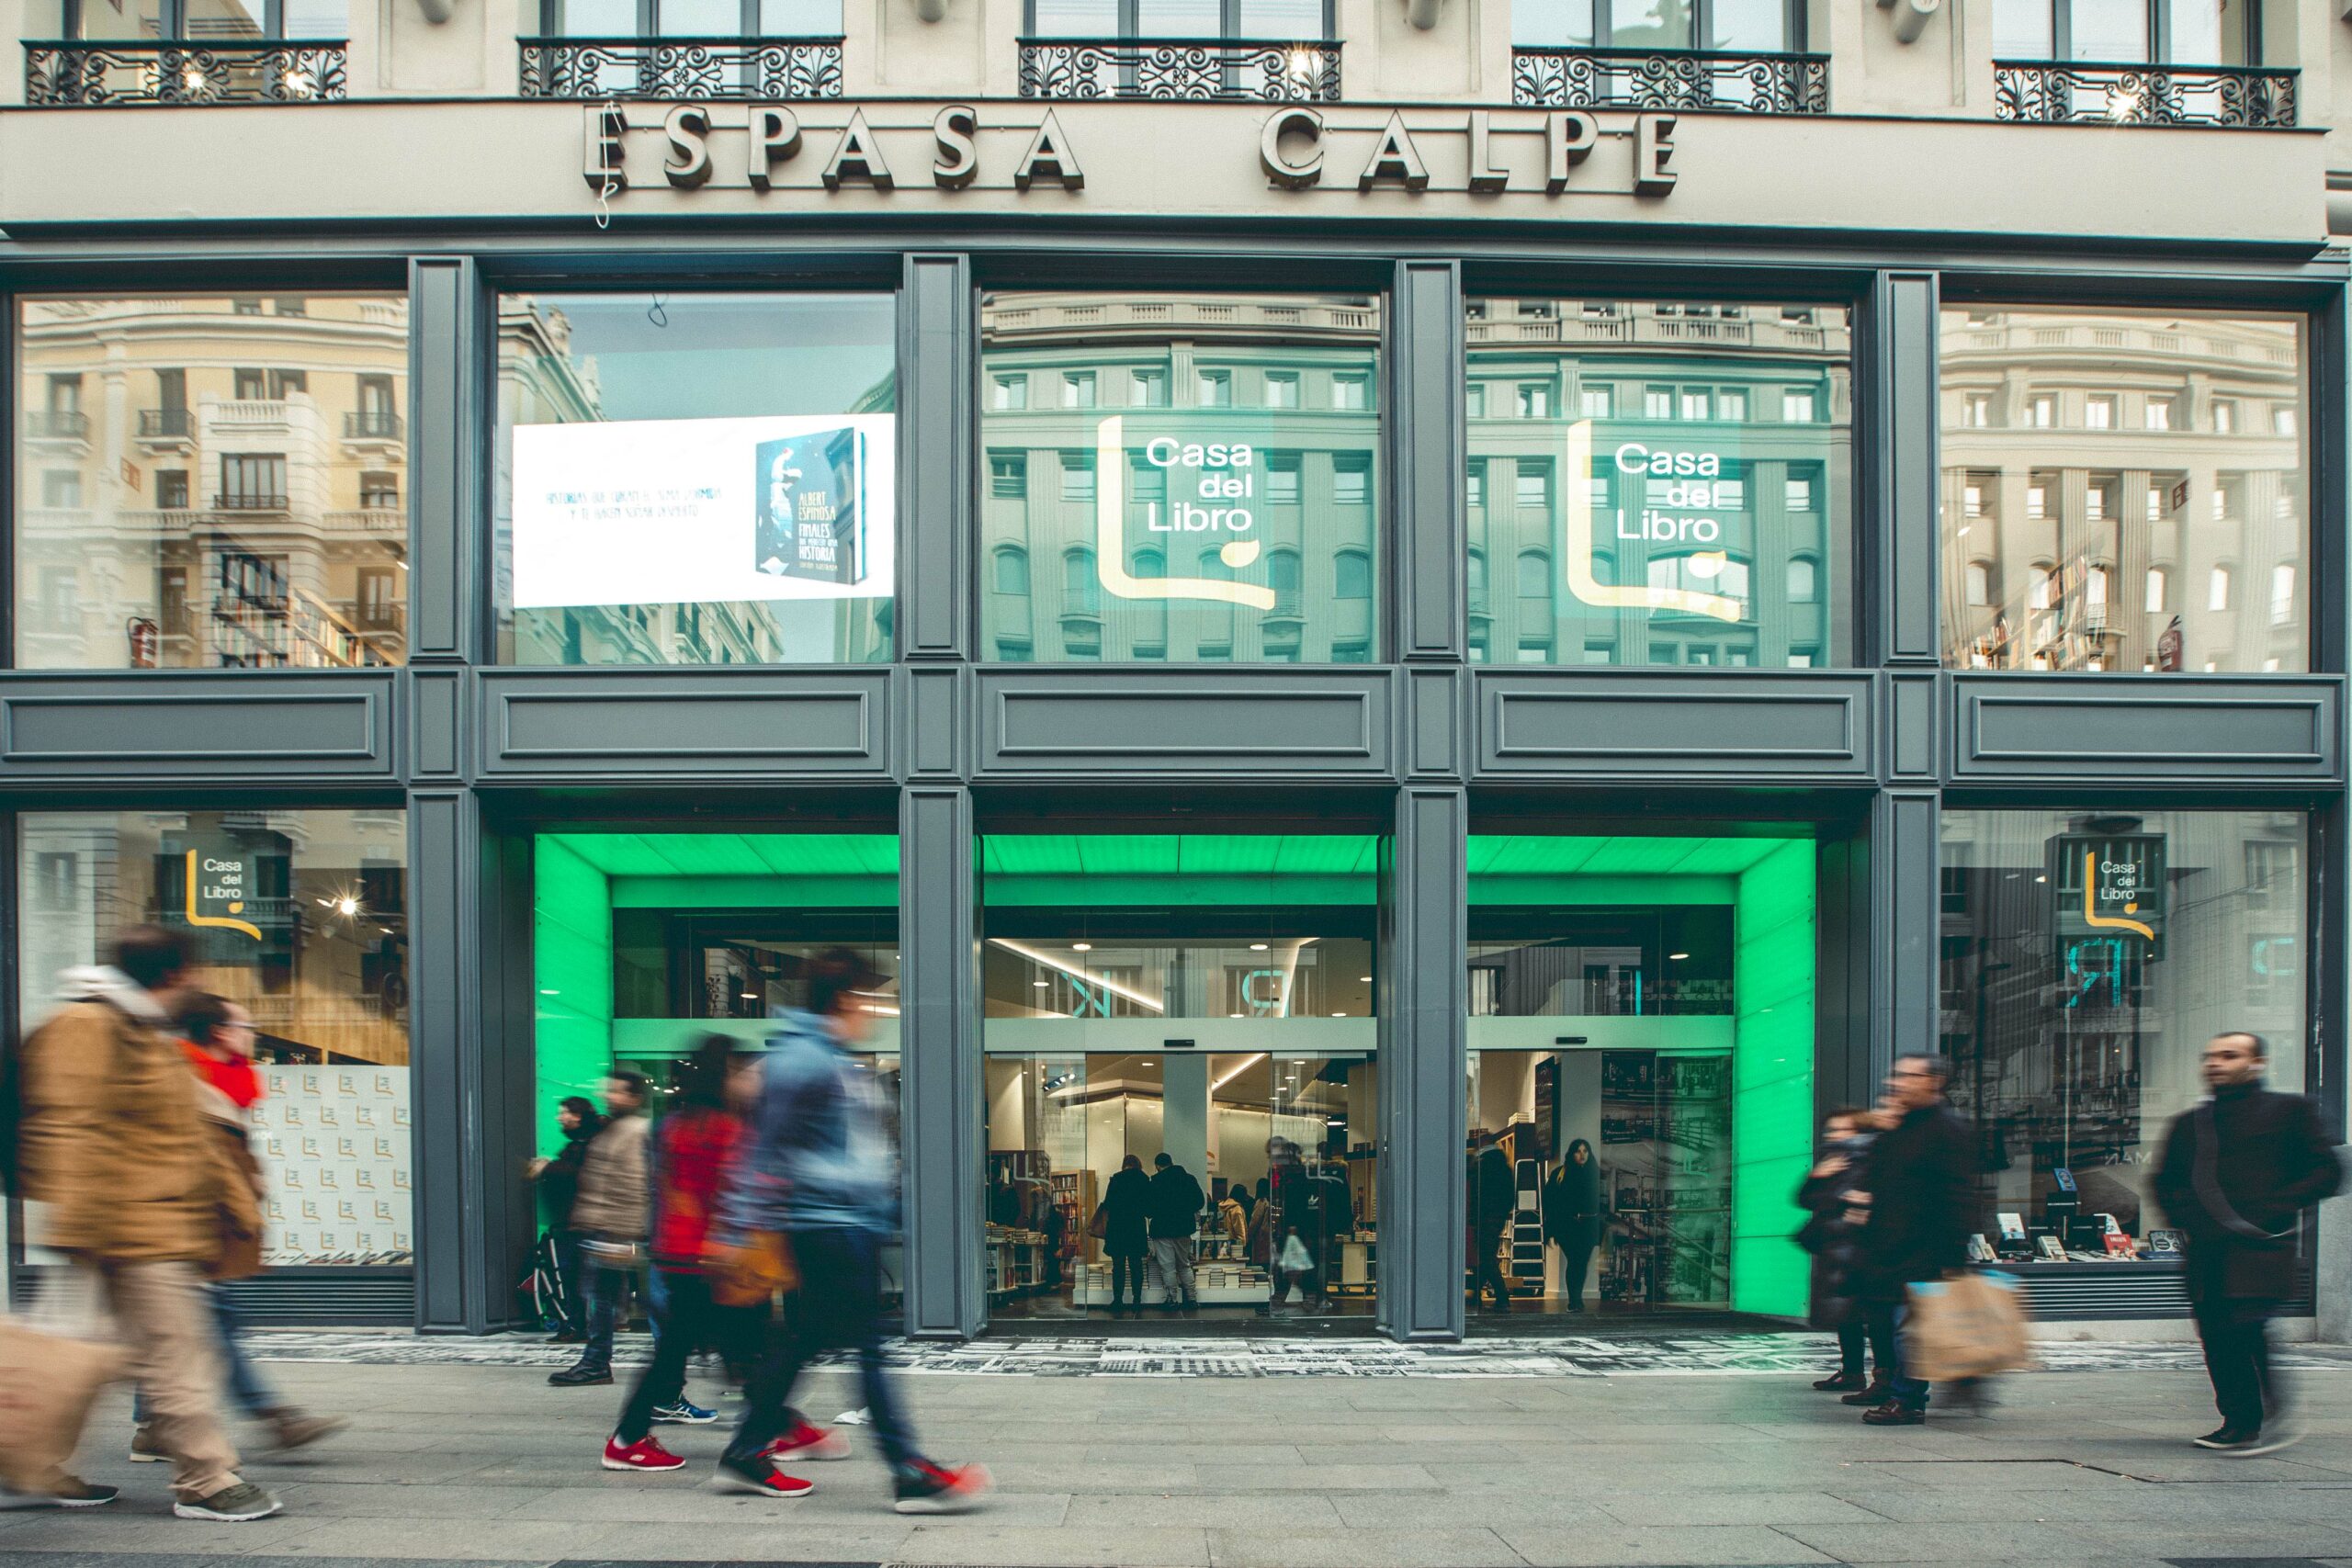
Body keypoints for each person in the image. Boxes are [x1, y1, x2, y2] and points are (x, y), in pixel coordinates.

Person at [15, 925, 281, 1520]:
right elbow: (65, 1127)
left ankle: (24, 1464)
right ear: (174, 973)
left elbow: (176, 1134)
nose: (200, 980)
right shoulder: (89, 1026)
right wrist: (83, 1227)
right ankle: (206, 1479)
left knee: (93, 1356)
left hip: (147, 1227)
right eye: (194, 970)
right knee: (176, 1351)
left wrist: (230, 1205)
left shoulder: (140, 1027)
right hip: (124, 1230)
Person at [714, 948, 989, 1512]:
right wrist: (736, 1226)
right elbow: (761, 1152)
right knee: (867, 1345)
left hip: (845, 1224)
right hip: (827, 1226)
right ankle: (907, 1469)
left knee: (806, 1341)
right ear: (842, 999)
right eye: (868, 999)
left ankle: (745, 1450)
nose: (874, 1011)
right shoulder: (804, 1061)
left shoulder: (831, 1060)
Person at [130, 995, 345, 1463]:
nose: (253, 1034)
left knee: (187, 1325)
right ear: (222, 1033)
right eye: (246, 1025)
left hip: (204, 1221)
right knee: (210, 1322)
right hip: (180, 1222)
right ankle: (271, 1415)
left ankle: (150, 1426)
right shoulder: (186, 1077)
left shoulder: (227, 1081)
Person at [2153, 1031, 2345, 1454]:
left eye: (2229, 1055)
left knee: (2246, 1324)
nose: (2215, 1063)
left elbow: (2326, 1171)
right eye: (2210, 1057)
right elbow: (2165, 1182)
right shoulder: (2190, 1123)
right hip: (2208, 1250)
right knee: (2217, 1335)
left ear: (2256, 1063)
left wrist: (2276, 1207)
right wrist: (2190, 1222)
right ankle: (2239, 1421)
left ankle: (2270, 1410)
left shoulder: (2290, 1111)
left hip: (2263, 1247)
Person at [602, 1036, 744, 1471]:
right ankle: (627, 1439)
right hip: (707, 1255)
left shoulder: (673, 1125)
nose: (744, 1078)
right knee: (712, 1349)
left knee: (695, 1348)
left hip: (678, 1252)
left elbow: (668, 1191)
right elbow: (727, 1191)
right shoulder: (722, 1128)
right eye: (737, 1069)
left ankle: (774, 1426)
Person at [1852, 1055, 1976, 1427]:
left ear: (1933, 1082)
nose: (1898, 1083)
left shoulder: (1947, 1130)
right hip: (1887, 1248)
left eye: (1909, 1076)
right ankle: (1908, 1385)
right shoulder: (1898, 1128)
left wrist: (1952, 1256)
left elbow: (1959, 1195)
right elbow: (1875, 1179)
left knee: (1911, 1327)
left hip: (1924, 1249)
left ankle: (1908, 1399)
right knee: (1892, 1323)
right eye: (1897, 1075)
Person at [552, 1070, 651, 1387]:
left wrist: (624, 1233)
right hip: (597, 1228)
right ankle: (596, 1361)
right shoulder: (611, 1129)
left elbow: (634, 1185)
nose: (610, 1096)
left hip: (612, 1231)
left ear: (635, 1098)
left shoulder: (635, 1131)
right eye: (609, 1091)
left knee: (602, 1300)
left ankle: (597, 1362)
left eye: (618, 1092)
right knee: (599, 1298)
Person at [1797, 1108, 1887, 1398]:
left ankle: (1882, 1379)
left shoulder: (1870, 1161)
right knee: (1847, 1316)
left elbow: (1841, 1203)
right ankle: (1852, 1372)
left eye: (1841, 1131)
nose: (1834, 1137)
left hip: (1863, 1251)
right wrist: (1817, 1176)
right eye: (1831, 1131)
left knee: (1875, 1319)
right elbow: (1805, 1200)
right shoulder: (1835, 1162)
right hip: (1838, 1250)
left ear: (1858, 1132)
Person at [530, 1096, 604, 1343]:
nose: (559, 1117)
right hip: (577, 1222)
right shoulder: (581, 1142)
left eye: (564, 1113)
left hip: (583, 1222)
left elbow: (580, 1174)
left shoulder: (590, 1143)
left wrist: (547, 1168)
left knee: (578, 1277)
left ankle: (581, 1327)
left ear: (578, 1116)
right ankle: (579, 1326)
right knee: (578, 1278)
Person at [1541, 1139, 1601, 1312]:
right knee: (1576, 1260)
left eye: (1585, 1151)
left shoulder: (1593, 1172)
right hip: (1567, 1226)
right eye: (1578, 1151)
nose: (1582, 1155)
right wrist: (1550, 1228)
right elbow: (1549, 1201)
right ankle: (1575, 1300)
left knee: (1581, 1263)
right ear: (1571, 1153)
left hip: (1588, 1225)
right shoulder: (1560, 1173)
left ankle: (1576, 1299)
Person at [1146, 1150, 1204, 1312]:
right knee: (1184, 1265)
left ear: (1157, 1166)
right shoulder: (1188, 1179)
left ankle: (1172, 1300)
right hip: (1184, 1228)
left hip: (1162, 1229)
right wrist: (1185, 1211)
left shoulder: (1155, 1183)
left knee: (1168, 1268)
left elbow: (1149, 1210)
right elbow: (1199, 1202)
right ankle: (1192, 1299)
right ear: (1171, 1162)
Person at [1099, 1153, 1150, 1315]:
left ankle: (1118, 1300)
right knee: (1136, 1265)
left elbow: (1108, 1203)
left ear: (1124, 1165)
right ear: (1138, 1164)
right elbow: (1148, 1206)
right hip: (1136, 1226)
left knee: (1118, 1266)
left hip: (1118, 1227)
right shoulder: (1144, 1179)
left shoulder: (1116, 1179)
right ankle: (1137, 1300)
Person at [1469, 1131, 1515, 1313]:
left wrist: (1476, 1214)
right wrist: (1502, 1213)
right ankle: (1476, 1294)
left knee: (1485, 1256)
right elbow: (1509, 1195)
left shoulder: (1482, 1164)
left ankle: (1502, 1296)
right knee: (1484, 1256)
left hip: (1484, 1217)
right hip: (1496, 1217)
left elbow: (1477, 1193)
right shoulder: (1502, 1165)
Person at [1216, 1182, 1248, 1256]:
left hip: (1223, 1242)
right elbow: (1240, 1231)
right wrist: (1243, 1247)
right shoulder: (1237, 1209)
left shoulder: (1224, 1205)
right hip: (1235, 1247)